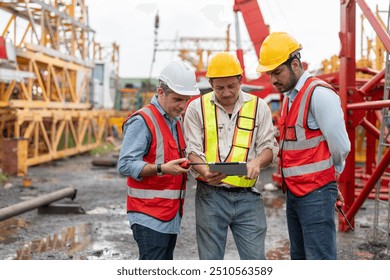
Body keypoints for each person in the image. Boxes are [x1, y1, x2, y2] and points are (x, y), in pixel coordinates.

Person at [257, 32, 351, 260]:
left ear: (295, 64)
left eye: (277, 72)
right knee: (299, 258)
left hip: (316, 193)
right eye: (270, 74)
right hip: (296, 193)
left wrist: (331, 177)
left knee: (318, 259)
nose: (273, 80)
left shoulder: (319, 95)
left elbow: (341, 145)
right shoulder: (291, 97)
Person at [183, 52, 279, 260]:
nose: (226, 93)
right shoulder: (196, 108)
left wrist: (257, 161)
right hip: (210, 195)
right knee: (211, 262)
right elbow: (191, 150)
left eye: (231, 86)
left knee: (255, 263)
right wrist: (205, 171)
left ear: (240, 80)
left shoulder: (258, 106)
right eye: (219, 88)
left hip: (248, 195)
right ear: (210, 83)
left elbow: (270, 148)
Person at [117, 60, 200, 260]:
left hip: (170, 214)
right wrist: (161, 168)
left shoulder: (176, 121)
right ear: (160, 92)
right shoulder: (142, 120)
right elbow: (125, 164)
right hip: (148, 215)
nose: (182, 106)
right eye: (177, 99)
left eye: (186, 100)